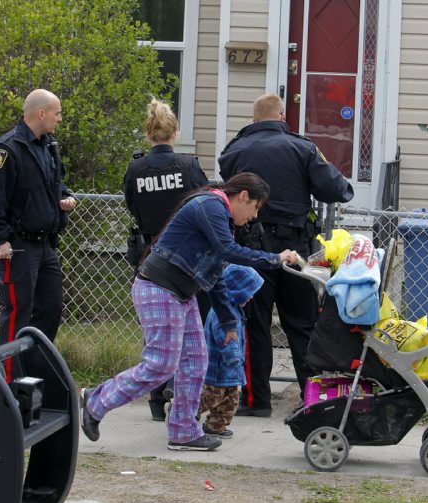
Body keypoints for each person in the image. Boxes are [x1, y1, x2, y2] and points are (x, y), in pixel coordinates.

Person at [80, 172, 298, 451]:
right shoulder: (210, 206)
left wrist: (229, 322)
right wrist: (274, 259)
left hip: (182, 294)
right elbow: (228, 251)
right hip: (159, 289)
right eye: (256, 208)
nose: (254, 216)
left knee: (196, 362)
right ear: (243, 197)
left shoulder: (219, 216)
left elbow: (217, 273)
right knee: (160, 365)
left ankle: (184, 431)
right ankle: (96, 402)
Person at [218, 93, 354, 414]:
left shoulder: (234, 150)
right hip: (296, 251)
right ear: (282, 116)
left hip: (252, 250)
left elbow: (228, 189)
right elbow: (339, 190)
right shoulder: (302, 148)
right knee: (303, 325)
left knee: (256, 326)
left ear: (254, 120)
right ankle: (313, 401)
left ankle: (256, 401)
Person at [0, 89, 76, 381]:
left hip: (45, 245)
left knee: (52, 307)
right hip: (17, 246)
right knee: (17, 312)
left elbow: (54, 185)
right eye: (56, 113)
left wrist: (65, 199)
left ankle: (32, 375)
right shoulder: (6, 150)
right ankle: (6, 382)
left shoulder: (48, 146)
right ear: (41, 114)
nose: (59, 118)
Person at [124, 97, 209, 421]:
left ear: (149, 133)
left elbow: (131, 203)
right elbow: (207, 205)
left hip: (149, 256)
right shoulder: (188, 166)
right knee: (188, 329)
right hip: (187, 258)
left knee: (156, 331)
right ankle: (184, 395)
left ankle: (157, 399)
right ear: (175, 132)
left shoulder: (136, 168)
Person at [198, 264, 264, 438]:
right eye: (248, 293)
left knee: (230, 400)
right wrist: (233, 357)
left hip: (231, 369)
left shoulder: (234, 310)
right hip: (220, 367)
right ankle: (181, 410)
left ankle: (215, 426)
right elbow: (226, 338)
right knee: (211, 397)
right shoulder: (224, 313)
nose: (251, 298)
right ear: (236, 291)